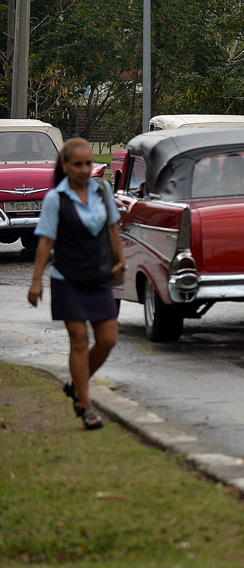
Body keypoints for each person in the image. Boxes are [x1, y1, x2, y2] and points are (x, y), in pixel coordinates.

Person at [27, 138, 127, 431]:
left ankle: (77, 384)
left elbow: (112, 227)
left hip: (99, 276)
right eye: (77, 164)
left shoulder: (102, 190)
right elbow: (46, 241)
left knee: (108, 339)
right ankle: (85, 405)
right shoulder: (55, 199)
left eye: (88, 163)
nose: (84, 169)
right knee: (79, 340)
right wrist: (36, 281)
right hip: (67, 279)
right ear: (65, 166)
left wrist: (120, 261)